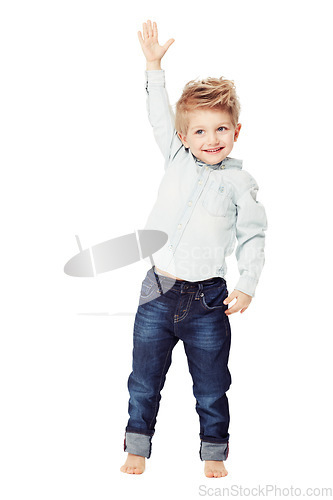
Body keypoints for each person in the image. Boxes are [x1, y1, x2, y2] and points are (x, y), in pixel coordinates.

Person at [120, 19, 268, 478]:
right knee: (144, 380)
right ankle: (137, 446)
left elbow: (254, 235)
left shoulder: (240, 182)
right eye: (200, 132)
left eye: (221, 129)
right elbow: (159, 114)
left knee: (211, 384)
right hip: (158, 291)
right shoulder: (176, 156)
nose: (211, 139)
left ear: (236, 131)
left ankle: (213, 451)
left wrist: (246, 285)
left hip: (208, 300)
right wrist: (153, 66)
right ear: (185, 137)